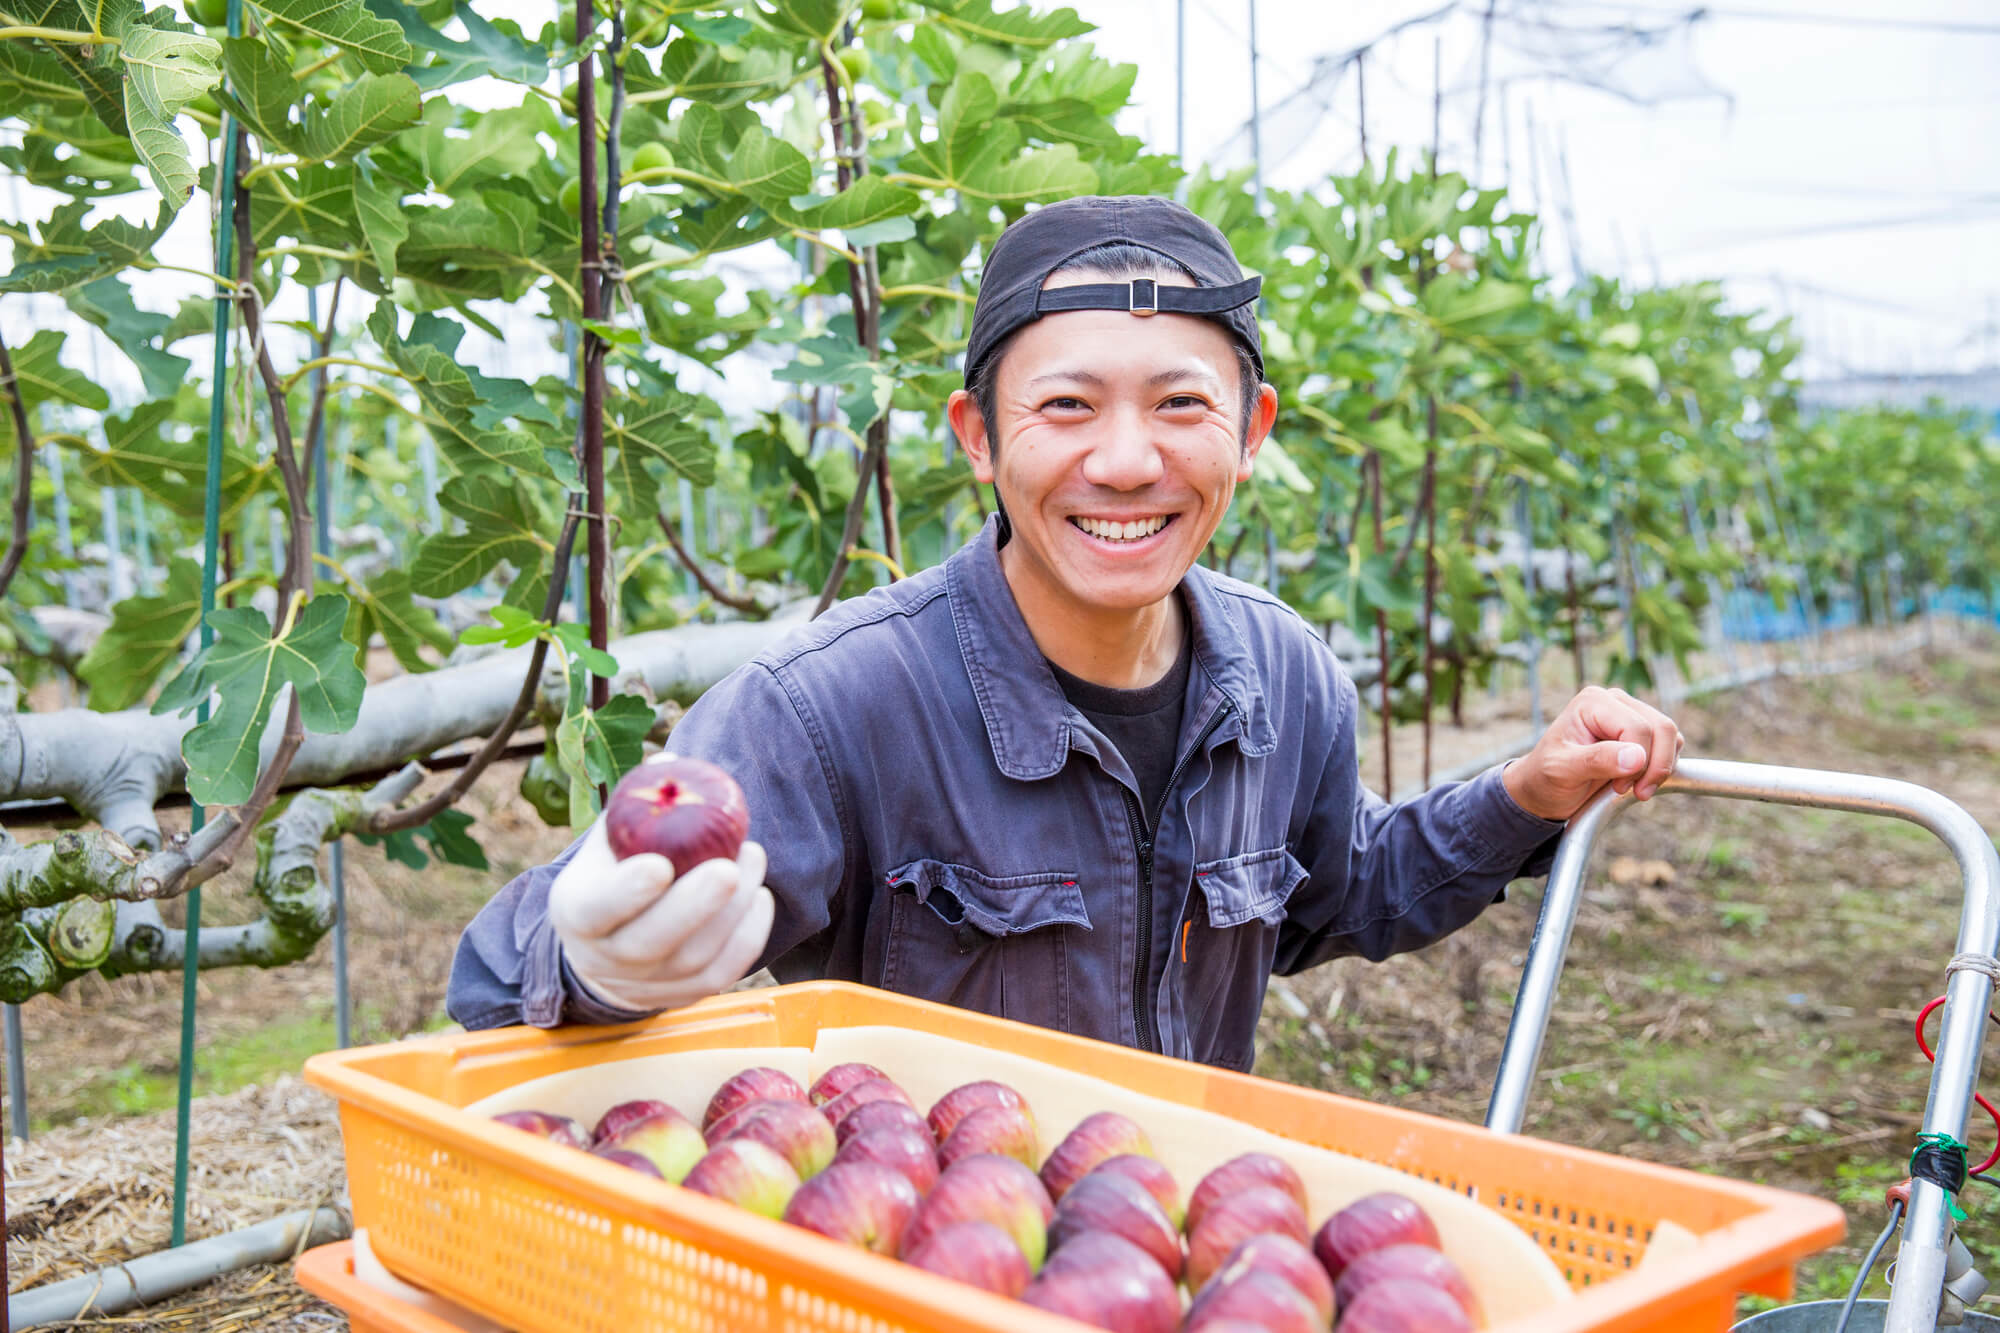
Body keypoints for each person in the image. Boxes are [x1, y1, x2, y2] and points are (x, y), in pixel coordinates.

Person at [447, 195, 1682, 1070]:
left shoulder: (1284, 673)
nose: (1127, 459)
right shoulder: (828, 707)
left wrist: (1525, 792)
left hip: (1176, 1254)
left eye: (1180, 404)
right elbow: (498, 991)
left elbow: (1334, 896)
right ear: (978, 437)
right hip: (931, 1269)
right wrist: (604, 964)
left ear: (1250, 433)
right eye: (1066, 405)